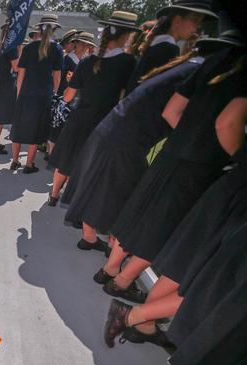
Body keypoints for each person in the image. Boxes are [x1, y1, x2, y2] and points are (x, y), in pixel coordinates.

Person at [62, 32, 235, 257]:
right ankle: (98, 241)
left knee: (103, 186)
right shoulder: (197, 71)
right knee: (115, 190)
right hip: (132, 137)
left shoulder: (184, 65)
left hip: (119, 128)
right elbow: (172, 114)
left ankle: (91, 237)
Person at [100, 44, 245, 304]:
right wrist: (236, 156)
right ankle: (121, 282)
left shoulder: (213, 62)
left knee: (141, 212)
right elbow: (228, 123)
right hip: (200, 164)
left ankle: (110, 269)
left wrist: (187, 138)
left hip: (173, 152)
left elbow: (171, 111)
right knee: (161, 227)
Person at [47, 11, 139, 205]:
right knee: (89, 165)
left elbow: (69, 96)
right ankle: (75, 201)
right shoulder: (129, 63)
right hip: (104, 122)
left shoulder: (87, 61)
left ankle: (54, 195)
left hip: (79, 118)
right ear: (127, 35)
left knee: (65, 161)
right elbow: (125, 96)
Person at [125, 0, 217, 94]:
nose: (198, 26)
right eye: (195, 20)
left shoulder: (157, 44)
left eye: (200, 22)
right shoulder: (169, 49)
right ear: (177, 20)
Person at [9, 14, 63, 173]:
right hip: (44, 95)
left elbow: (21, 74)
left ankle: (15, 160)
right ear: (53, 30)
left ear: (39, 28)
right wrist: (53, 93)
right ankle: (29, 164)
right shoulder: (57, 49)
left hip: (25, 93)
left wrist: (19, 93)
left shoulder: (29, 48)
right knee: (36, 129)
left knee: (19, 127)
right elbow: (57, 77)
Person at [48, 31, 94, 158]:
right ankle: (51, 154)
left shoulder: (87, 62)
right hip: (64, 97)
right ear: (76, 44)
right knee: (57, 128)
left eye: (87, 45)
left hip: (77, 100)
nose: (84, 47)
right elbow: (59, 78)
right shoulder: (68, 59)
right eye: (82, 43)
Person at [0, 22, 20, 154]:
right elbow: (17, 67)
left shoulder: (2, 46)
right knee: (0, 116)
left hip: (1, 83)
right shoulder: (11, 48)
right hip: (6, 83)